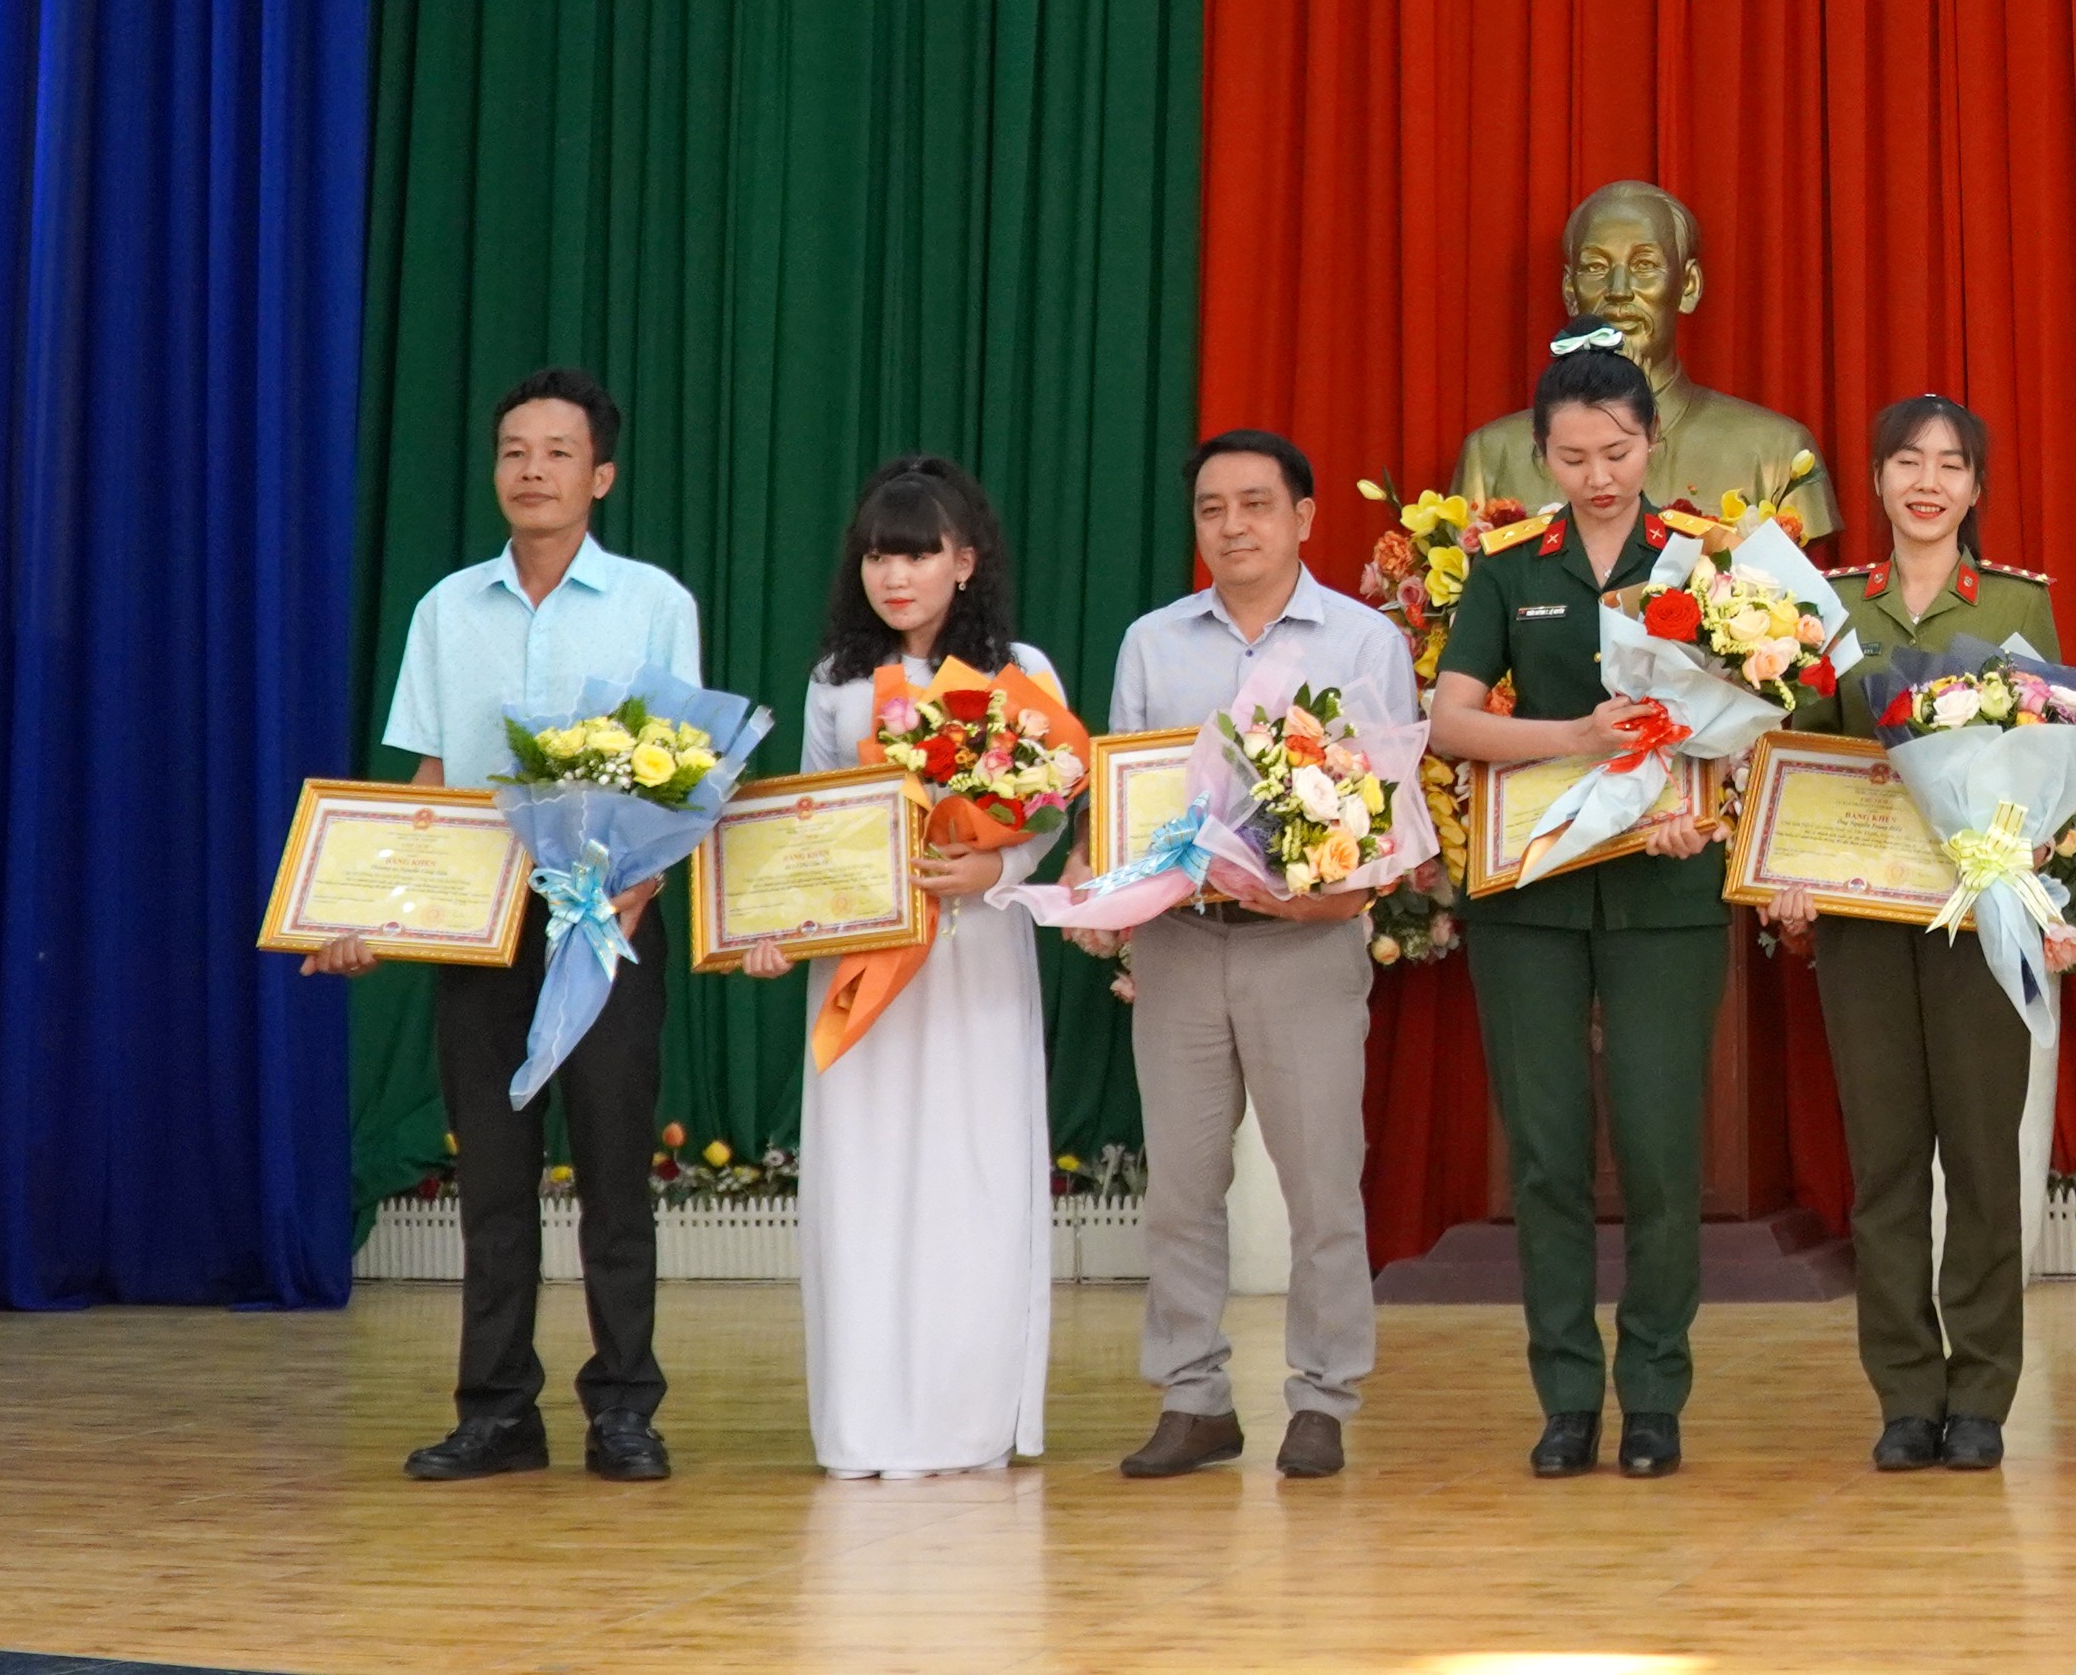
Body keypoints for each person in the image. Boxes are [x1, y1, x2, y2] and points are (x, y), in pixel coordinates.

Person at [311, 367, 701, 1483]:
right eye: (514, 451)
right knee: (492, 1177)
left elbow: (682, 775)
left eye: (558, 452)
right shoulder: (446, 609)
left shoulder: (654, 603)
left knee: (617, 1172)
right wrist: (374, 913)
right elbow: (431, 782)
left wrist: (646, 881)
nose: (533, 470)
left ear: (604, 475)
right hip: (483, 928)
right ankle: (496, 1412)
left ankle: (625, 1408)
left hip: (610, 923)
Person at [1432, 326, 1737, 1480]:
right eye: (1572, 456)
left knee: (1662, 1153)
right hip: (1535, 892)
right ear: (1540, 457)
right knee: (1549, 1154)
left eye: (1616, 450)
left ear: (1652, 439)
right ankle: (1566, 1397)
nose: (1598, 475)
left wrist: (1694, 799)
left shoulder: (1708, 565)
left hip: (1666, 888)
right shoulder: (1512, 567)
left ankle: (1653, 1393)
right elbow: (1452, 719)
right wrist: (1571, 738)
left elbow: (1750, 714)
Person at [735, 458, 1061, 1477]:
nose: (897, 573)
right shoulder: (836, 685)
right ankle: (867, 1422)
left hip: (977, 961)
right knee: (868, 1183)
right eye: (880, 552)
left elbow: (1051, 814)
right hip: (866, 969)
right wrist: (777, 915)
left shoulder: (1023, 674)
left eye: (918, 550)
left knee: (974, 1175)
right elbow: (811, 827)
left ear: (966, 561)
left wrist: (995, 859)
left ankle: (969, 1421)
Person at [1103, 427, 1415, 1482]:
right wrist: (1112, 901)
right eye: (1209, 509)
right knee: (1182, 1188)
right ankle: (1194, 1400)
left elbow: (1391, 807)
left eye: (1253, 504)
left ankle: (1323, 1399)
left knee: (1323, 1186)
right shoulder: (1153, 642)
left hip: (1307, 947)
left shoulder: (1364, 642)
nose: (1231, 526)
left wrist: (1336, 886)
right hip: (1180, 944)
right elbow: (1126, 804)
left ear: (1304, 518)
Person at [1771, 396, 2058, 1473]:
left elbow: (2051, 760)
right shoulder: (1829, 609)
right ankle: (1903, 1394)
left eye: (1952, 465)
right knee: (1885, 1164)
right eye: (1907, 462)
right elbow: (1797, 759)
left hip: (1980, 916)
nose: (1928, 482)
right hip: (1861, 924)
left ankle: (1981, 1392)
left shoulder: (2022, 605)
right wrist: (1788, 879)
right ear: (1880, 480)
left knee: (1983, 1161)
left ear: (1976, 488)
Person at [1446, 180, 1837, 537]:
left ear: (1689, 286)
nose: (1618, 290)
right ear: (1570, 290)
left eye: (1644, 266)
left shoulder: (1775, 451)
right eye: (1595, 268)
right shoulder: (1492, 455)